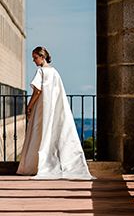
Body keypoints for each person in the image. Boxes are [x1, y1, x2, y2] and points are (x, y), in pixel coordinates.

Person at [16, 46, 93, 180]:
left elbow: (37, 91)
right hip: (52, 109)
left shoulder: (41, 71)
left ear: (42, 57)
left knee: (38, 133)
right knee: (50, 134)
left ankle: (35, 165)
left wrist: (29, 106)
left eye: (35, 58)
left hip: (41, 108)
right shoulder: (55, 72)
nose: (34, 61)